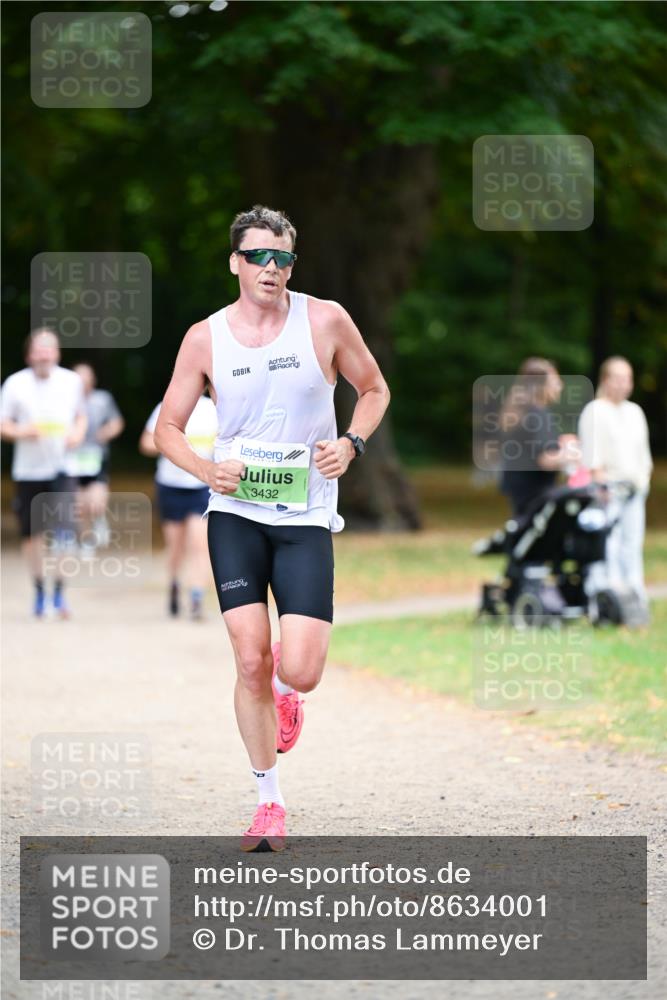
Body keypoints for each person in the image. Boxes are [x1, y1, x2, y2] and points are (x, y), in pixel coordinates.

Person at [153, 205, 390, 850]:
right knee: (250, 658)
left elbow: (373, 389)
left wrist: (352, 444)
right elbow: (165, 429)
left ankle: (289, 692)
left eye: (282, 258)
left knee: (303, 668)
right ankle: (268, 801)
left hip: (306, 512)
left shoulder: (325, 319)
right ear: (235, 262)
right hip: (235, 513)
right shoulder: (205, 338)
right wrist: (206, 469)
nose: (271, 269)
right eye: (258, 256)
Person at [0, 328, 87, 618]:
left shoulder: (71, 381)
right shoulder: (15, 384)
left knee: (64, 533)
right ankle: (39, 589)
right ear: (29, 354)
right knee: (32, 535)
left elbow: (81, 417)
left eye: (49, 349)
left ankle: (60, 592)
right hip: (28, 471)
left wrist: (77, 433)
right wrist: (23, 431)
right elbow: (3, 424)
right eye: (39, 349)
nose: (44, 354)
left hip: (63, 467)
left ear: (57, 353)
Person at [578, 356, 652, 610]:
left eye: (628, 378)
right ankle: (608, 597)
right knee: (609, 544)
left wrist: (643, 481)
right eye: (618, 378)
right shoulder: (595, 411)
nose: (624, 384)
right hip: (608, 490)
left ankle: (634, 595)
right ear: (606, 380)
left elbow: (643, 455)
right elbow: (592, 455)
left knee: (632, 544)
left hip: (635, 489)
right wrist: (601, 485)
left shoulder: (634, 412)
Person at [140, 392, 218, 620]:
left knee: (199, 545)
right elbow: (146, 443)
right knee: (176, 549)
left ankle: (196, 598)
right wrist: (174, 444)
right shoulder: (168, 405)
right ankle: (174, 584)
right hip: (171, 485)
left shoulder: (216, 409)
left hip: (202, 485)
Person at [499, 357, 580, 518]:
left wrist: (560, 445)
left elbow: (534, 448)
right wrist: (573, 453)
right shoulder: (537, 414)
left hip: (521, 488)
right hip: (535, 492)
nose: (560, 386)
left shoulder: (525, 411)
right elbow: (545, 459)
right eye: (556, 382)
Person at [65, 363, 124, 555]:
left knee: (96, 501)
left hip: (96, 456)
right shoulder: (66, 400)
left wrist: (106, 432)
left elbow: (117, 422)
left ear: (93, 379)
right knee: (79, 503)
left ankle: (99, 518)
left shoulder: (103, 399)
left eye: (86, 377)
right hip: (73, 456)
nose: (83, 382)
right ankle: (87, 540)